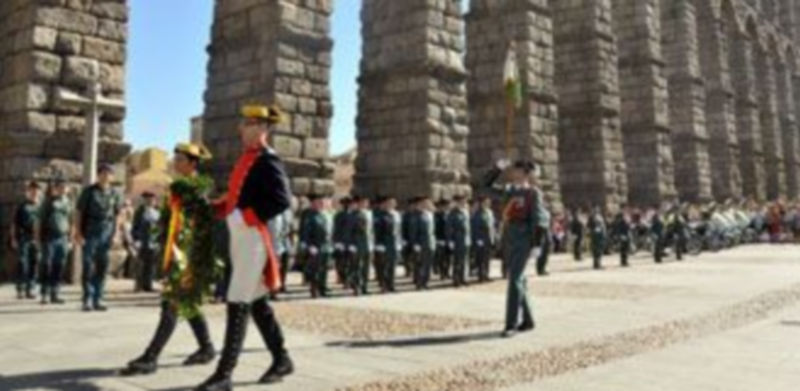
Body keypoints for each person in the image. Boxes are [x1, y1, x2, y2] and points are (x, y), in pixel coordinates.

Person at [196, 105, 293, 390]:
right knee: (258, 303)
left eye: (248, 124)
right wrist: (214, 208)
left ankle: (224, 374)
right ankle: (282, 359)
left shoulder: (267, 160)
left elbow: (281, 200)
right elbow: (236, 197)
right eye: (243, 123)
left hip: (254, 237)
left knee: (237, 300)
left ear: (262, 128)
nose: (241, 129)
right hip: (241, 236)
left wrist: (246, 216)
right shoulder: (247, 159)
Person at [121, 142, 218, 376]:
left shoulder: (196, 190)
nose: (175, 163)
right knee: (189, 304)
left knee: (171, 306)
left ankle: (151, 357)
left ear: (193, 164)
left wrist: (188, 259)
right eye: (175, 159)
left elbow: (201, 227)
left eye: (180, 160)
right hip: (177, 253)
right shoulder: (180, 187)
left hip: (186, 258)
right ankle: (206, 348)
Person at [484, 159, 543, 338]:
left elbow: (537, 220)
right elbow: (485, 187)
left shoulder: (532, 193)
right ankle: (528, 319)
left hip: (524, 237)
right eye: (514, 171)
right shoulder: (508, 191)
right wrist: (496, 169)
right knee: (519, 280)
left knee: (514, 279)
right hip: (509, 237)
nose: (514, 174)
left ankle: (511, 323)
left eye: (519, 171)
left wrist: (536, 244)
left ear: (526, 174)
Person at [74, 164, 122, 311]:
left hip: (106, 232)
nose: (106, 176)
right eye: (103, 173)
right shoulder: (89, 192)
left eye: (108, 173)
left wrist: (116, 234)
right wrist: (78, 232)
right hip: (90, 231)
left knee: (102, 267)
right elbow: (79, 212)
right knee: (88, 266)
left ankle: (98, 298)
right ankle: (87, 298)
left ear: (112, 176)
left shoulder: (115, 193)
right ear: (98, 175)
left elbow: (118, 215)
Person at [39, 178, 72, 304]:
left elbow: (71, 220)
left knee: (59, 266)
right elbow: (39, 221)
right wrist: (37, 239)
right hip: (49, 237)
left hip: (62, 238)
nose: (63, 189)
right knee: (47, 264)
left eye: (65, 187)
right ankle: (44, 293)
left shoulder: (68, 202)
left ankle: (55, 293)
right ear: (56, 188)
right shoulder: (48, 202)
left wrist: (70, 239)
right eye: (60, 187)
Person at [11, 181, 42, 300]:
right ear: (28, 192)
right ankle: (21, 288)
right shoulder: (22, 206)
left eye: (36, 190)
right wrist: (13, 238)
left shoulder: (41, 206)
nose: (34, 192)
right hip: (24, 238)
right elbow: (14, 223)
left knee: (35, 264)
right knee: (23, 263)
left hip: (37, 239)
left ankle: (31, 287)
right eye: (32, 190)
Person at [299, 194, 331, 298]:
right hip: (315, 246)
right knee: (315, 270)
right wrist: (308, 245)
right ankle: (314, 290)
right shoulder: (309, 216)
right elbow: (305, 232)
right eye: (318, 202)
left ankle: (322, 288)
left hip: (325, 245)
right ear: (313, 203)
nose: (321, 204)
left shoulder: (323, 215)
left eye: (322, 202)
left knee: (324, 269)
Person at [132, 191, 160, 292]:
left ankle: (148, 285)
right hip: (142, 240)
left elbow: (159, 226)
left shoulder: (157, 212)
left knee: (151, 265)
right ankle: (138, 285)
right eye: (147, 199)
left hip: (153, 241)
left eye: (152, 199)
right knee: (141, 264)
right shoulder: (140, 212)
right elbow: (135, 226)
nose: (150, 201)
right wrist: (136, 239)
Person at [373, 196, 400, 292]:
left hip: (394, 242)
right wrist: (379, 243)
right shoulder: (380, 215)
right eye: (390, 203)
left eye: (393, 203)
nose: (392, 205)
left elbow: (398, 230)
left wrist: (399, 242)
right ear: (385, 204)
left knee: (392, 265)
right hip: (384, 243)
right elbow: (377, 231)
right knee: (384, 265)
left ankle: (391, 284)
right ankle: (383, 285)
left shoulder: (396, 214)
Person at [347, 195, 373, 295]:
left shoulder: (369, 214)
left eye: (366, 202)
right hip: (357, 244)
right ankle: (356, 287)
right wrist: (350, 244)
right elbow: (348, 231)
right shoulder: (353, 215)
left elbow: (371, 231)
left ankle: (364, 286)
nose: (365, 204)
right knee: (357, 266)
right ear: (358, 204)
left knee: (366, 267)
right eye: (363, 202)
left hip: (367, 243)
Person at [447, 195, 471, 287]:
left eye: (464, 202)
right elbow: (449, 228)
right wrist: (450, 240)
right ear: (457, 203)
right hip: (457, 239)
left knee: (465, 260)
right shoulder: (453, 213)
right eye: (462, 202)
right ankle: (456, 279)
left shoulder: (465, 212)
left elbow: (468, 227)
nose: (464, 203)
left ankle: (463, 278)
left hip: (465, 239)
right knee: (457, 261)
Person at [471, 196, 495, 282]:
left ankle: (486, 274)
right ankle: (481, 275)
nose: (488, 203)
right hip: (481, 237)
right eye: (486, 202)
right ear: (481, 203)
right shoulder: (477, 213)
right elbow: (475, 227)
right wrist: (478, 239)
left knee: (487, 258)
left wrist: (493, 238)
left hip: (488, 237)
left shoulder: (490, 212)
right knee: (481, 258)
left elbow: (492, 226)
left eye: (488, 202)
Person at [332, 197, 351, 287]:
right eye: (345, 204)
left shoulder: (352, 215)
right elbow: (336, 229)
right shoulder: (339, 215)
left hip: (350, 242)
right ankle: (342, 279)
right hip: (341, 242)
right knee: (341, 263)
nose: (347, 206)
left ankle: (347, 279)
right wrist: (337, 242)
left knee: (349, 263)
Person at [434, 199, 451, 279]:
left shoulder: (449, 215)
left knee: (448, 257)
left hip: (448, 239)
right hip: (441, 239)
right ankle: (442, 273)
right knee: (441, 258)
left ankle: (447, 272)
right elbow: (436, 228)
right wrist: (438, 239)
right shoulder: (437, 216)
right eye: (444, 206)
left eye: (447, 206)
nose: (445, 208)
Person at [535, 203, 551, 276]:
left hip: (546, 230)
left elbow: (549, 223)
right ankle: (540, 269)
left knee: (546, 250)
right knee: (541, 251)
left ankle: (543, 267)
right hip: (540, 231)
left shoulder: (547, 213)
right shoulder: (538, 212)